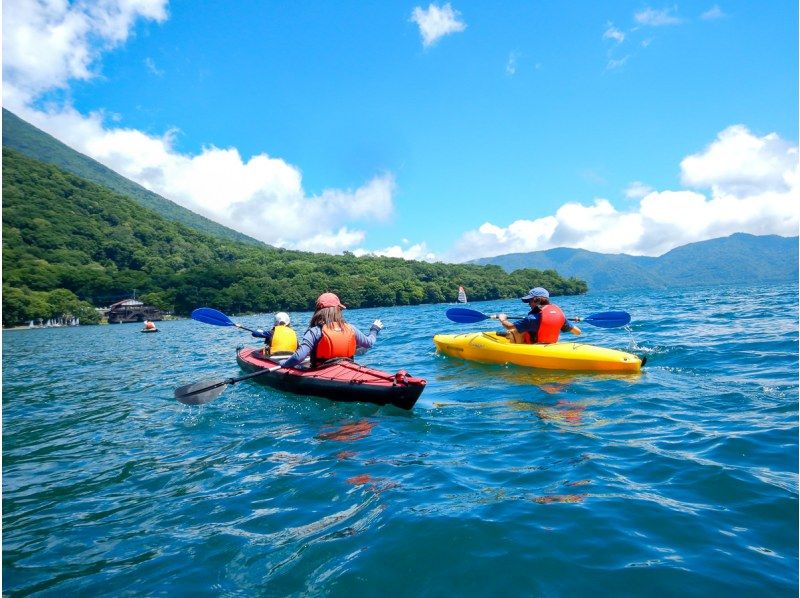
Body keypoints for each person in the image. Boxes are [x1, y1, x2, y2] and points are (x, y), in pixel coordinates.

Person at [281, 293, 383, 368]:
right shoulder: (350, 328)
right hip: (348, 368)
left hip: (321, 370)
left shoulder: (315, 331)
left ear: (318, 312)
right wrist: (374, 329)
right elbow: (369, 343)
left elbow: (298, 357)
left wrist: (284, 364)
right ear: (337, 310)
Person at [498, 287, 581, 344]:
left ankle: (510, 337)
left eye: (529, 301)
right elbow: (578, 332)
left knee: (513, 331)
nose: (529, 304)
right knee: (522, 328)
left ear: (535, 300)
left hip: (534, 347)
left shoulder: (531, 319)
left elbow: (510, 326)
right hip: (550, 345)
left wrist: (502, 319)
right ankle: (508, 335)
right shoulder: (560, 316)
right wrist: (566, 322)